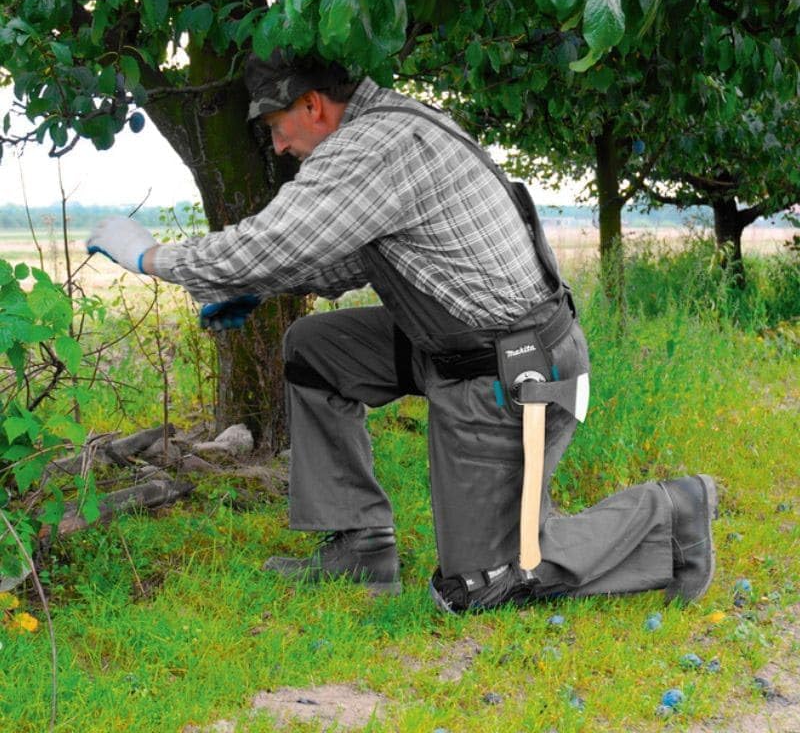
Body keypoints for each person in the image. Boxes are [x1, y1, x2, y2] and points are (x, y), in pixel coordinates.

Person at [87, 50, 717, 613]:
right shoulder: (392, 125)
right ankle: (361, 545)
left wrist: (149, 257)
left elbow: (273, 241)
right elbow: (346, 256)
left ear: (312, 106)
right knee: (316, 351)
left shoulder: (371, 148)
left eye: (277, 129)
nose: (277, 147)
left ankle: (670, 516)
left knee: (482, 583)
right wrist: (256, 288)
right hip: (449, 346)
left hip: (511, 373)